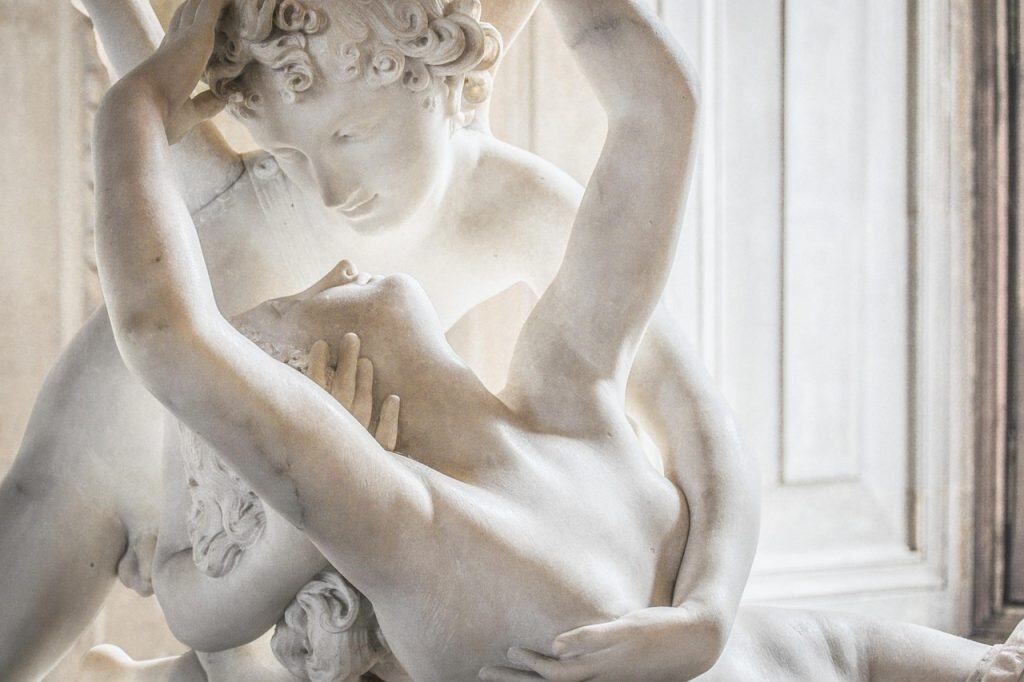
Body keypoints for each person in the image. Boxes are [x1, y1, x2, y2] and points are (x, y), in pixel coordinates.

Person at [91, 1, 1003, 680]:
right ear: (319, 413)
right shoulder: (407, 525)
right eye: (293, 309)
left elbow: (658, 112)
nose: (331, 260)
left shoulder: (559, 390)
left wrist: (710, 613)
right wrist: (144, 91)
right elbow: (163, 330)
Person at [0, 0, 760, 678]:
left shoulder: (516, 208)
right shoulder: (226, 190)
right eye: (289, 151)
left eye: (351, 134)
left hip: (285, 490)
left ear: (438, 80)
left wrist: (711, 609)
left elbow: (692, 414)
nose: (332, 190)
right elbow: (158, 323)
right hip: (100, 452)